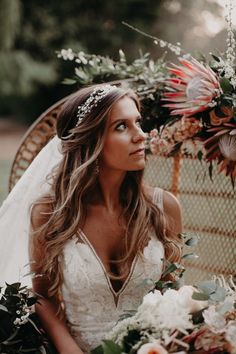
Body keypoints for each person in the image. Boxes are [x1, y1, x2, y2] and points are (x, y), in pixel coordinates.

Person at [1, 84, 183, 354]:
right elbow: (43, 296)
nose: (140, 136)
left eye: (138, 123)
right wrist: (68, 349)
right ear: (90, 141)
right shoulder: (50, 213)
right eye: (121, 126)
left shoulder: (164, 207)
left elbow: (172, 294)